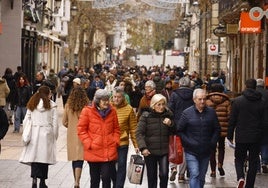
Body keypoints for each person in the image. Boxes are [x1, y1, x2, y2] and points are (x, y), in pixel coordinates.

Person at [177, 88, 220, 188]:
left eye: (204, 99)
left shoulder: (211, 112)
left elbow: (217, 129)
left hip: (206, 150)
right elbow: (179, 130)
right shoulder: (187, 113)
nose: (202, 101)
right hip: (191, 151)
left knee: (201, 176)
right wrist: (188, 142)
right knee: (195, 173)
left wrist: (212, 142)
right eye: (200, 99)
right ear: (194, 99)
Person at [77, 89, 120, 188]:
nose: (106, 102)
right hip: (94, 151)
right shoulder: (87, 111)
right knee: (94, 179)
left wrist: (115, 141)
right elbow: (81, 130)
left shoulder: (112, 111)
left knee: (106, 177)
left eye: (107, 99)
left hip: (109, 150)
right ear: (97, 101)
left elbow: (116, 128)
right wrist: (89, 143)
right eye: (103, 100)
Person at [227, 79, 266, 188]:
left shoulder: (237, 101)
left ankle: (240, 177)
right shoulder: (261, 102)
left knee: (239, 159)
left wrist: (229, 136)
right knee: (253, 161)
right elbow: (264, 121)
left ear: (245, 86)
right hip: (256, 137)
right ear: (255, 87)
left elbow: (232, 120)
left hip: (241, 136)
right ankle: (249, 185)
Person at [19, 86, 58, 188]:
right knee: (44, 160)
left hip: (34, 134)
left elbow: (26, 120)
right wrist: (55, 135)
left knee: (35, 158)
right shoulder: (51, 106)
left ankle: (34, 179)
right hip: (46, 134)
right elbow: (55, 123)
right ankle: (42, 181)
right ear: (47, 93)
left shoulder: (32, 104)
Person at [136, 94, 174, 188]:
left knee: (164, 174)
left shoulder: (168, 115)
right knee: (152, 176)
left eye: (163, 104)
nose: (161, 107)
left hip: (164, 151)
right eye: (158, 104)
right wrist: (143, 148)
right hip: (150, 151)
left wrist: (171, 124)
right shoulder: (146, 116)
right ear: (153, 105)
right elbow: (139, 133)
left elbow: (175, 131)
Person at [110, 87, 139, 188]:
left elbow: (133, 128)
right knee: (110, 166)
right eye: (114, 97)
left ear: (123, 97)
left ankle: (119, 186)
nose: (116, 99)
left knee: (122, 165)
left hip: (123, 142)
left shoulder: (129, 109)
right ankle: (115, 182)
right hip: (110, 142)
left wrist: (136, 145)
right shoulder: (108, 107)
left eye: (119, 97)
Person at [168, 76, 194, 183]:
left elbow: (170, 109)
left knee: (173, 147)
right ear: (189, 85)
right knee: (184, 149)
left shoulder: (174, 94)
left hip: (176, 124)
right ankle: (181, 175)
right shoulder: (193, 95)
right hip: (189, 126)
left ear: (179, 84)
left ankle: (173, 167)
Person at [62, 86, 89, 188]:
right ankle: (78, 180)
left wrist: (71, 126)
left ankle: (75, 181)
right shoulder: (86, 106)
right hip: (83, 134)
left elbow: (64, 121)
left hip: (72, 135)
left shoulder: (68, 105)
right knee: (80, 159)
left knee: (74, 158)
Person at [206, 83, 231, 177]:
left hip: (210, 129)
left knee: (212, 149)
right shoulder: (227, 101)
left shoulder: (207, 101)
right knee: (221, 147)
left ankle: (213, 170)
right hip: (222, 128)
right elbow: (229, 116)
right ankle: (220, 164)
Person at [256, 78, 268, 173]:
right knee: (265, 142)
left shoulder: (253, 94)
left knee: (255, 144)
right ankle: (264, 161)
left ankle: (257, 166)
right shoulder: (267, 93)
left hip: (255, 122)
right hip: (266, 122)